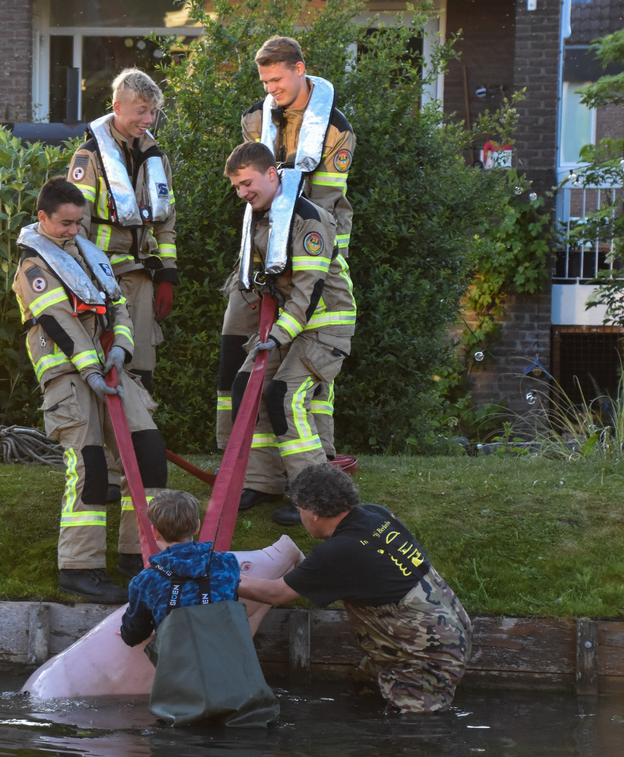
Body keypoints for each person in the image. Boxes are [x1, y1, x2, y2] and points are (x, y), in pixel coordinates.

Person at [217, 36, 356, 525]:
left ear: (301, 70)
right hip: (270, 262)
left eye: (278, 80)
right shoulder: (257, 121)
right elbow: (253, 171)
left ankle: (318, 490)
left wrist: (298, 245)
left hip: (308, 267)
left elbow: (325, 211)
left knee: (294, 394)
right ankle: (260, 479)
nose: (271, 90)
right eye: (265, 83)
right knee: (247, 379)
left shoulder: (335, 130)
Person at [13, 177, 168, 603]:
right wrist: (90, 370)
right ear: (42, 218)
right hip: (68, 375)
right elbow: (58, 322)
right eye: (64, 223)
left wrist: (121, 347)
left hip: (109, 370)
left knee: (149, 452)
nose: (73, 231)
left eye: (78, 223)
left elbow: (116, 304)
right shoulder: (33, 266)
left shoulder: (87, 253)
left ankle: (140, 555)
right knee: (91, 465)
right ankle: (80, 568)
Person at [236, 463, 472, 714]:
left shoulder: (340, 551)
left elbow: (276, 593)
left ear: (313, 512)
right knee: (362, 691)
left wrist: (216, 574)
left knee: (413, 733)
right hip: (452, 627)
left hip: (427, 655)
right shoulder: (375, 514)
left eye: (299, 509)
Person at [68, 68, 177, 525]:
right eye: (140, 111)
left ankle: (131, 468)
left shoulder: (155, 155)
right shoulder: (89, 156)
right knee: (107, 367)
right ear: (117, 107)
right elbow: (74, 224)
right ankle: (110, 475)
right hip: (103, 281)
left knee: (141, 371)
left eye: (153, 111)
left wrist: (168, 271)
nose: (147, 119)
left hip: (144, 279)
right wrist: (87, 285)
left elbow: (166, 220)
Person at [225, 142, 355, 502]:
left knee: (285, 397)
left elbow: (308, 293)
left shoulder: (308, 219)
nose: (242, 193)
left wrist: (277, 335)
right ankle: (263, 482)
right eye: (237, 187)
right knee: (245, 387)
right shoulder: (263, 214)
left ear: (271, 175)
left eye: (247, 183)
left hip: (325, 324)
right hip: (292, 326)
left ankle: (314, 497)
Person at [119, 490, 241, 647]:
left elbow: (133, 637)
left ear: (154, 532)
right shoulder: (227, 563)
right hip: (226, 658)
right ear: (197, 527)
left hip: (179, 667)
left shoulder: (146, 580)